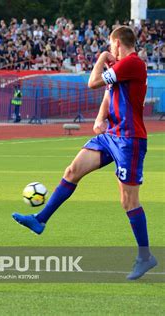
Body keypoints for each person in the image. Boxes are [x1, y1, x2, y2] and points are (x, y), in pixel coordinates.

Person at [12, 26, 157, 280]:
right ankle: (40, 220)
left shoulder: (132, 63)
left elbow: (92, 82)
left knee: (128, 201)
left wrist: (101, 57)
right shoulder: (123, 67)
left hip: (129, 140)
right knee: (72, 170)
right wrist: (100, 118)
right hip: (111, 135)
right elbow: (107, 93)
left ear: (117, 43)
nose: (110, 50)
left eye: (110, 46)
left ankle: (145, 256)